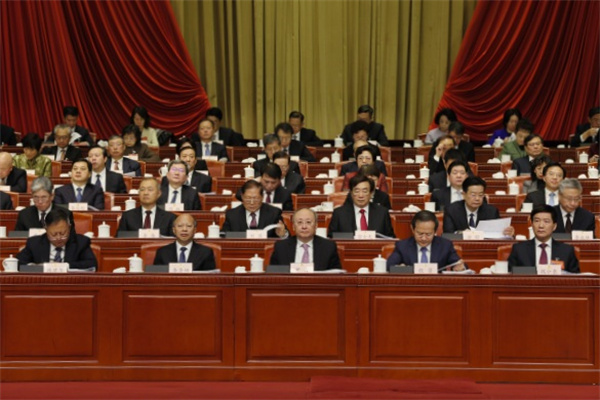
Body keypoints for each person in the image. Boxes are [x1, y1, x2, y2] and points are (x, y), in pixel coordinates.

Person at [16, 208, 97, 270]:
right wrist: (38, 267)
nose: (58, 238)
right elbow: (18, 263)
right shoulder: (34, 243)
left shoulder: (81, 242)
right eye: (53, 234)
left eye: (63, 233)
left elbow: (92, 264)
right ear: (46, 229)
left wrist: (65, 266)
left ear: (69, 228)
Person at [507, 205, 579, 273]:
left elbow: (575, 278)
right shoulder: (519, 249)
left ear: (554, 226)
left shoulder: (566, 251)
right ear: (532, 224)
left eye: (546, 221)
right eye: (537, 221)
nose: (541, 226)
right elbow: (510, 276)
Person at [386, 210, 464, 271]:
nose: (424, 238)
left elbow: (459, 264)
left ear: (435, 231)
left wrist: (460, 267)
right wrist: (399, 268)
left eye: (428, 234)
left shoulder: (445, 245)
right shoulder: (402, 246)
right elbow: (389, 266)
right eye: (420, 234)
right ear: (412, 229)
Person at [270, 208, 342, 270]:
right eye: (300, 222)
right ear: (293, 226)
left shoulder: (328, 247)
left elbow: (336, 275)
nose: (304, 226)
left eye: (308, 222)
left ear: (316, 226)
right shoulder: (281, 247)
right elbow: (274, 274)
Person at [443, 176, 515, 236]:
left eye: (480, 195)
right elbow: (448, 235)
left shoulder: (491, 212)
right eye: (473, 195)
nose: (477, 198)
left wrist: (508, 233)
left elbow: (498, 234)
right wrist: (460, 234)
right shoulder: (451, 210)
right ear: (464, 195)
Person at [328, 175, 395, 238]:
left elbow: (390, 238)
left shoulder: (382, 213)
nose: (361, 195)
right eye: (356, 191)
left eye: (365, 191)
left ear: (371, 194)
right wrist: (353, 238)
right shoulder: (339, 213)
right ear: (351, 193)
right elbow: (331, 237)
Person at [221, 180, 288, 238]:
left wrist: (283, 234)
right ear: (242, 197)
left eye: (256, 198)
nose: (252, 202)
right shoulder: (232, 215)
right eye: (248, 198)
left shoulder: (274, 213)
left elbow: (287, 237)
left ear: (262, 197)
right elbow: (223, 236)